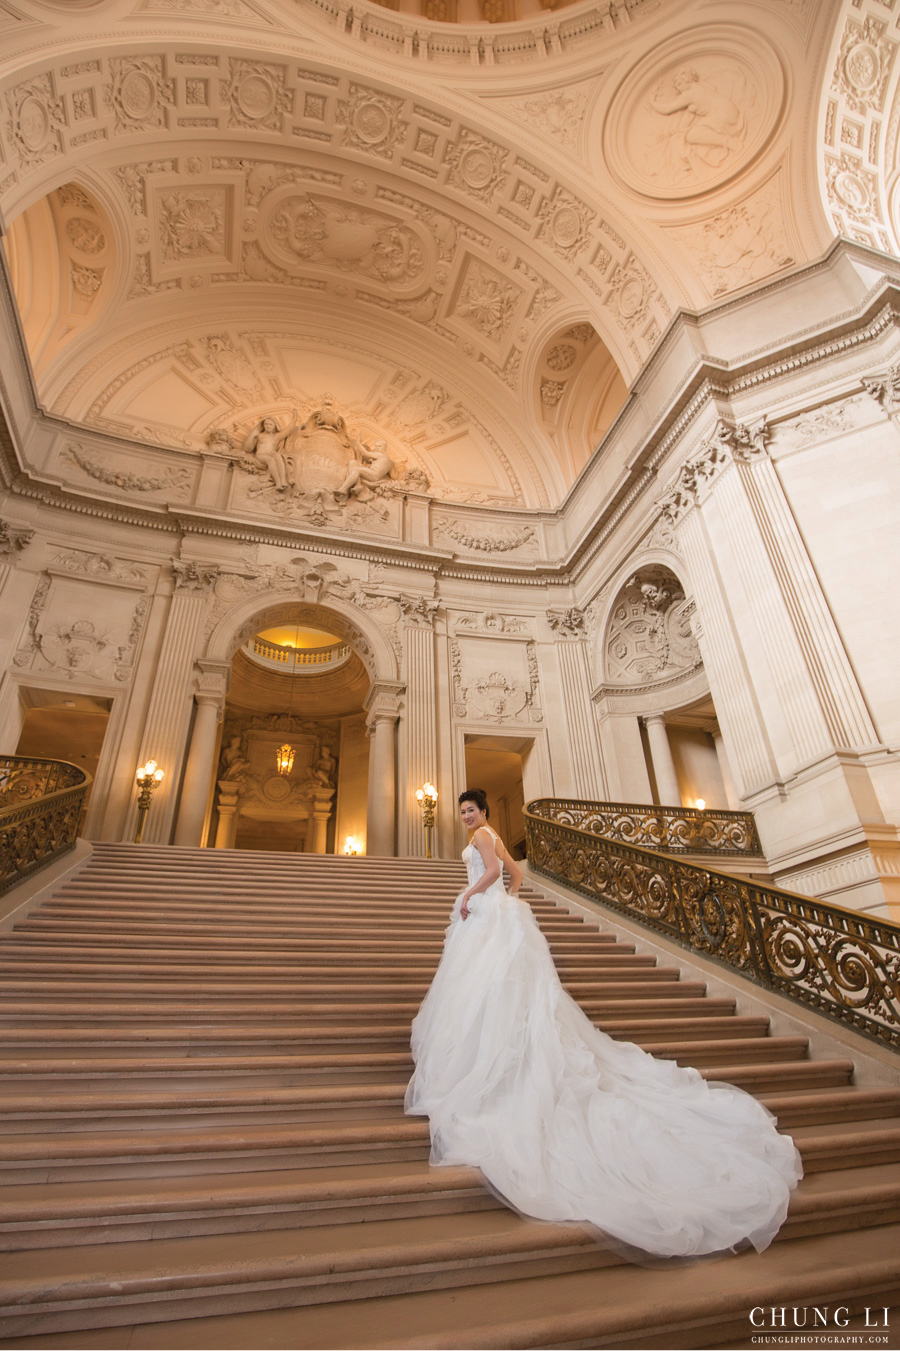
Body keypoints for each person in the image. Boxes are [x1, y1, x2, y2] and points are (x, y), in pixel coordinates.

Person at [404, 788, 803, 1259]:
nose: (466, 817)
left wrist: (474, 896)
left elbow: (496, 872)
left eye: (470, 810)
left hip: (486, 917)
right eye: (463, 813)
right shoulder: (489, 835)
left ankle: (485, 1062)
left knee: (491, 992)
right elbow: (515, 877)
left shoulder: (485, 837)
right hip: (494, 919)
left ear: (484, 811)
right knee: (492, 992)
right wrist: (506, 902)